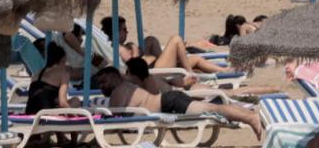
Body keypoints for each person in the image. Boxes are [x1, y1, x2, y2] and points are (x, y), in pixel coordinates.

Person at [96, 62, 264, 138]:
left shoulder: (119, 90)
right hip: (168, 101)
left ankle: (250, 118)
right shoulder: (127, 87)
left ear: (114, 75)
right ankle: (250, 116)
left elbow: (112, 124)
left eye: (104, 81)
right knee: (213, 108)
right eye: (100, 84)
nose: (102, 86)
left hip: (169, 103)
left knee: (213, 109)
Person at [23, 43, 78, 115]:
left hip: (30, 112)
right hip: (47, 114)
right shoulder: (63, 74)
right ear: (62, 60)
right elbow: (63, 103)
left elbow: (43, 94)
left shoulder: (37, 74)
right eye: (65, 61)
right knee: (75, 101)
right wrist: (75, 115)